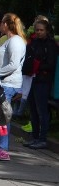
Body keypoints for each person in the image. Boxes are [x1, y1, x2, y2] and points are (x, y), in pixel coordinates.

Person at [0, 13, 26, 160]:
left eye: (1, 23)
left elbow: (13, 65)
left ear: (6, 24)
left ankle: (3, 148)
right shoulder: (9, 40)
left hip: (7, 83)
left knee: (3, 117)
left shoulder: (15, 41)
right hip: (2, 83)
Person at [23, 17, 57, 149]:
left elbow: (51, 64)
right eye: (37, 30)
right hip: (33, 79)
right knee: (33, 109)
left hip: (43, 81)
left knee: (42, 110)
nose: (38, 32)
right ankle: (35, 137)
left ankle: (42, 138)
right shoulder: (34, 42)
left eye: (41, 30)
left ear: (47, 30)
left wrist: (37, 66)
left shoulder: (51, 44)